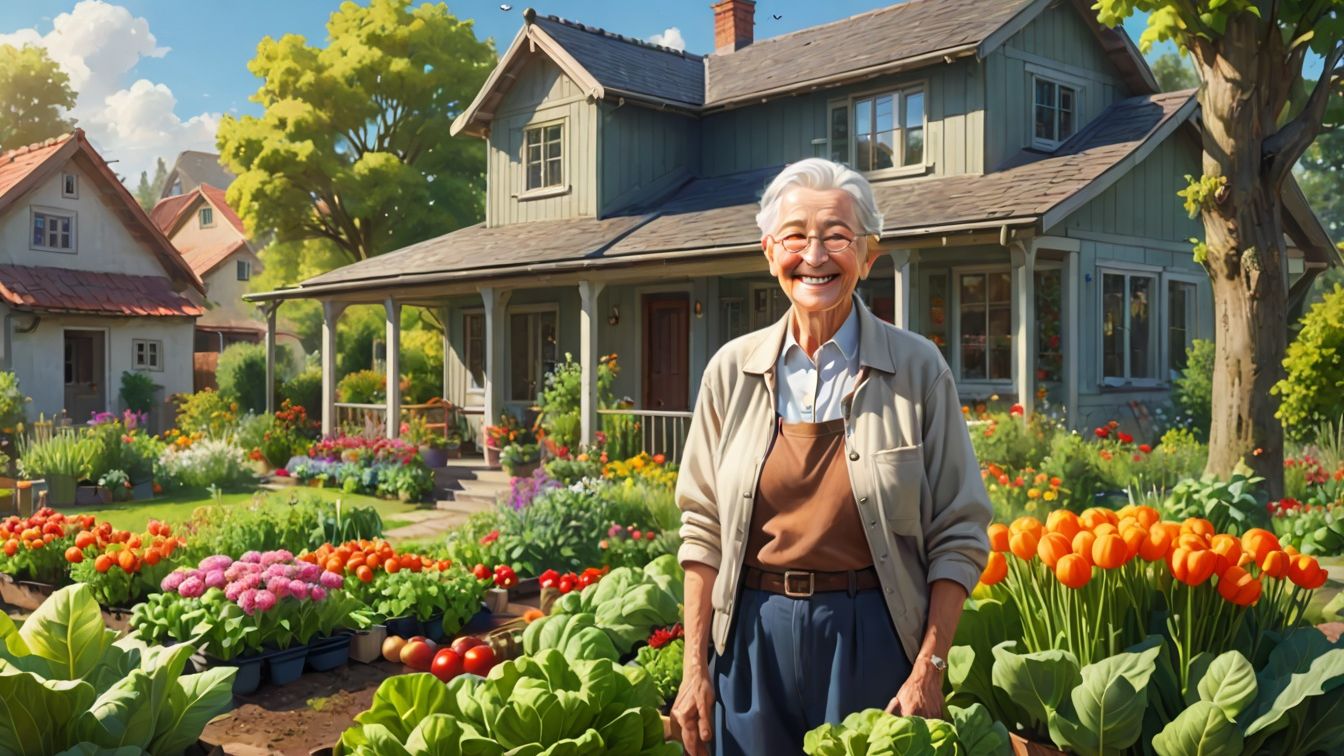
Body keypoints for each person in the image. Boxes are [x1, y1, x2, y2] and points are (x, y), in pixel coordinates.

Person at [671, 157, 993, 756]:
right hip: (751, 637)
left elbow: (961, 530)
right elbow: (702, 530)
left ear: (868, 255)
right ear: (770, 252)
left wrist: (930, 667)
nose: (814, 256)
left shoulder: (918, 369)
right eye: (795, 237)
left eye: (838, 237)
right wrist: (695, 670)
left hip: (871, 633)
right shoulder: (730, 371)